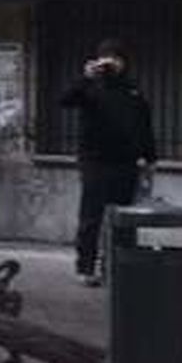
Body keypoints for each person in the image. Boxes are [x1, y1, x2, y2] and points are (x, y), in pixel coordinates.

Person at [62, 39, 156, 286]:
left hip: (126, 163)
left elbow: (145, 126)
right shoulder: (90, 88)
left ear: (124, 62)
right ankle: (85, 267)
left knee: (122, 219)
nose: (111, 63)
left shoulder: (133, 91)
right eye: (106, 58)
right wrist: (85, 78)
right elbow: (65, 100)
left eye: (116, 58)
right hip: (95, 162)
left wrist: (150, 159)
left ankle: (115, 266)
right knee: (91, 218)